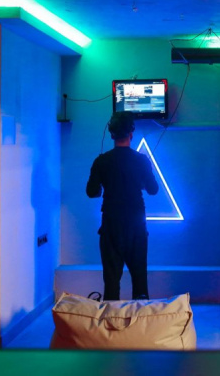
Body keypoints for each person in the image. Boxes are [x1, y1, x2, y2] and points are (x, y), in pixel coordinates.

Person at [86, 111, 159, 300]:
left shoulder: (101, 161)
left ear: (111, 134)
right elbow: (153, 189)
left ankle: (112, 318)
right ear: (131, 134)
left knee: (111, 282)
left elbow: (91, 192)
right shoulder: (142, 160)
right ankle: (139, 317)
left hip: (111, 226)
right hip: (136, 226)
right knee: (140, 280)